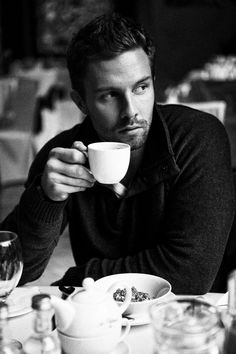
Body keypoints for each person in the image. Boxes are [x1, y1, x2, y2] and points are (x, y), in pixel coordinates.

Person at [0, 13, 235, 294]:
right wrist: (45, 199)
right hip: (105, 325)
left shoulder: (198, 137)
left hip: (189, 321)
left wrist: (80, 279)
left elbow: (191, 273)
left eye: (141, 88)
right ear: (81, 102)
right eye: (109, 95)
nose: (131, 111)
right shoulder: (62, 156)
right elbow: (9, 271)